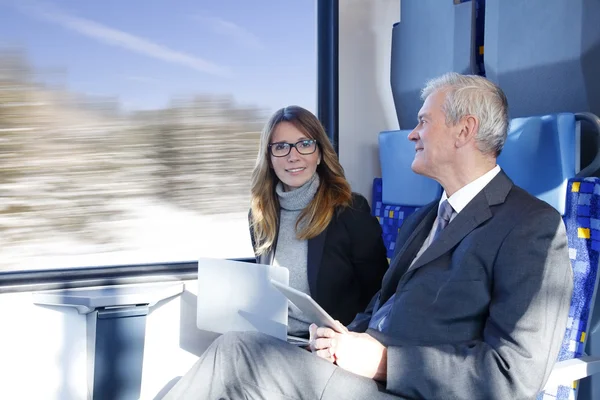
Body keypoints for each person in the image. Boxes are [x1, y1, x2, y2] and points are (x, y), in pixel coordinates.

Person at [163, 73, 573, 400]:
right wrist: (342, 339)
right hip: (365, 373)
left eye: (423, 122)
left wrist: (384, 362)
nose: (412, 134)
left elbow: (513, 377)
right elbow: (382, 303)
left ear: (464, 130)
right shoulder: (427, 218)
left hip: (407, 386)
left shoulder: (531, 226)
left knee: (239, 355)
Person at [248, 105, 389, 337]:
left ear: (320, 153)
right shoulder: (260, 214)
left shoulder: (350, 211)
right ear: (269, 158)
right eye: (281, 147)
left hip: (328, 346)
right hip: (277, 337)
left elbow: (380, 295)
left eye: (305, 144)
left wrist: (348, 340)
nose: (293, 156)